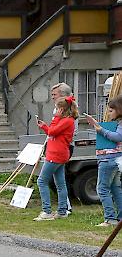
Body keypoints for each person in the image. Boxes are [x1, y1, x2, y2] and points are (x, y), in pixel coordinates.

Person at [34, 96, 79, 221]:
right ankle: (62, 211)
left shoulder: (66, 121)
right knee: (60, 184)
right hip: (59, 154)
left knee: (42, 181)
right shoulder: (65, 120)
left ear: (62, 109)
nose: (55, 110)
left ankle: (47, 211)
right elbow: (53, 132)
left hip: (56, 154)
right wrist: (44, 126)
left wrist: (55, 119)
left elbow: (52, 132)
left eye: (57, 108)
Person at [85, 96, 122, 226]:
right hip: (114, 160)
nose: (109, 113)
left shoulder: (120, 123)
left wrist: (101, 130)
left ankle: (110, 218)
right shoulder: (116, 123)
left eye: (111, 110)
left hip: (108, 159)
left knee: (102, 189)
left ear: (119, 110)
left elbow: (118, 137)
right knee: (115, 188)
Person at [50, 82, 77, 214]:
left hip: (63, 147)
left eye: (55, 94)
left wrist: (50, 129)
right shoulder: (58, 110)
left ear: (63, 96)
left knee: (47, 179)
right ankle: (64, 206)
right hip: (56, 146)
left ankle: (65, 206)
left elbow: (54, 131)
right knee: (56, 178)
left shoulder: (68, 112)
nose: (52, 97)